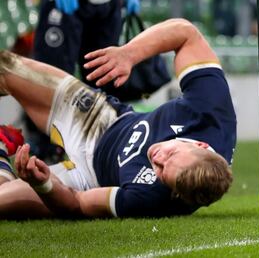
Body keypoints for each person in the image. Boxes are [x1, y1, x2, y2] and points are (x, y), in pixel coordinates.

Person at [0, 18, 236, 219]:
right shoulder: (211, 110)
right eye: (171, 154)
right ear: (200, 144)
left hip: (87, 179)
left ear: (175, 193)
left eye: (161, 172)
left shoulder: (152, 200)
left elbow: (77, 202)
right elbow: (186, 33)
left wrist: (43, 184)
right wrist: (129, 53)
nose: (157, 157)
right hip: (100, 119)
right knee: (4, 66)